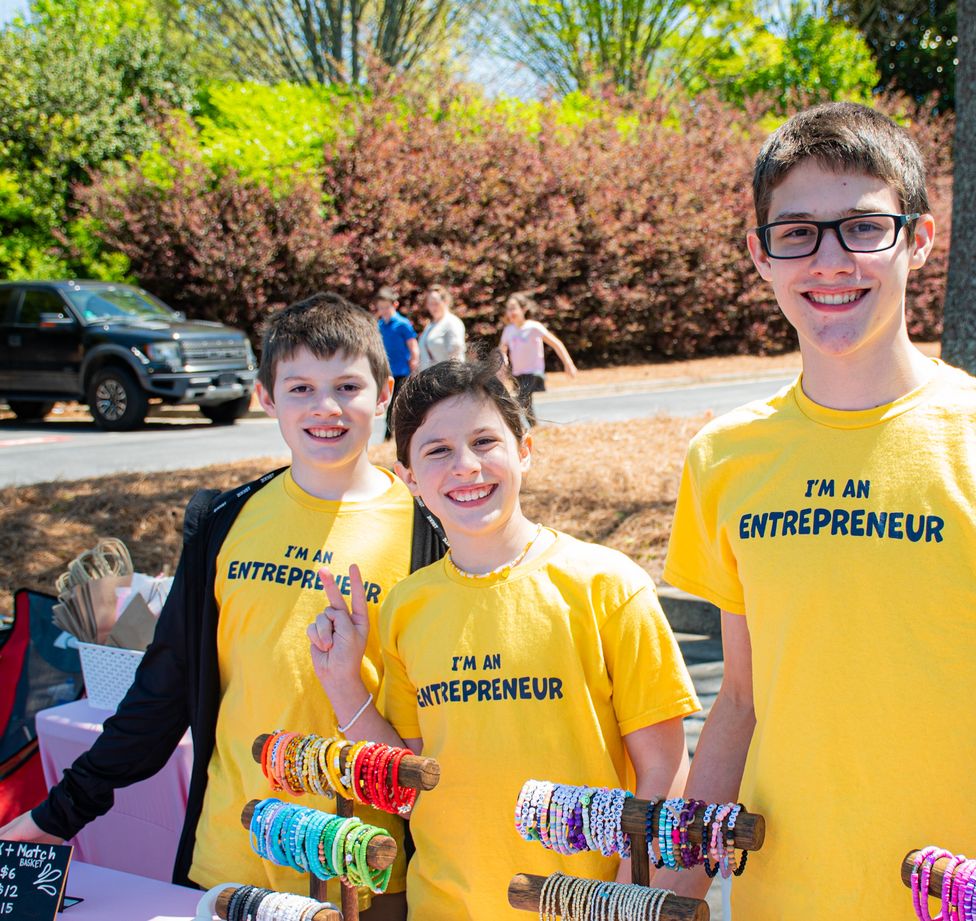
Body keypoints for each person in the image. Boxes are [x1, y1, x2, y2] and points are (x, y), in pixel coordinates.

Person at [663, 102, 976, 918]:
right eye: (797, 232)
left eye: (864, 227)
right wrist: (668, 896)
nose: (829, 261)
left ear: (918, 239)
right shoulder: (723, 457)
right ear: (760, 254)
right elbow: (741, 701)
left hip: (970, 903)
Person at [0, 293, 446, 918]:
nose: (325, 407)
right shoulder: (224, 520)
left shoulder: (430, 536)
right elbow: (164, 687)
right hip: (228, 858)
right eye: (299, 388)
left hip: (366, 869)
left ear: (384, 393)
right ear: (266, 397)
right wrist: (58, 814)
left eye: (347, 385)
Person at [307, 354, 701, 919]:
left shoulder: (607, 585)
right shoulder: (406, 607)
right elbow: (410, 774)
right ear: (410, 480)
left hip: (585, 906)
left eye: (485, 441)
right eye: (437, 451)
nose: (465, 466)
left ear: (524, 451)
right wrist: (342, 681)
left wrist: (624, 902)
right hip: (445, 905)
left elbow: (665, 770)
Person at [498, 292, 577, 425]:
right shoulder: (508, 330)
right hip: (518, 373)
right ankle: (533, 426)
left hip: (534, 372)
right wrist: (502, 362)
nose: (510, 312)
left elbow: (556, 343)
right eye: (508, 309)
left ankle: (532, 427)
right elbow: (501, 349)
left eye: (513, 308)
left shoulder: (533, 327)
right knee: (524, 401)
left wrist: (568, 364)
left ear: (523, 309)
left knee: (522, 398)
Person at [372, 285, 419, 439]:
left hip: (401, 370)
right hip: (386, 371)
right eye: (381, 308)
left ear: (395, 305)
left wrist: (414, 358)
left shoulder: (402, 323)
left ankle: (390, 434)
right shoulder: (380, 325)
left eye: (387, 307)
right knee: (385, 402)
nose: (384, 310)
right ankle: (389, 434)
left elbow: (412, 344)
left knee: (395, 404)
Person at [416, 284, 466, 370]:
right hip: (429, 379)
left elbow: (456, 355)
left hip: (446, 379)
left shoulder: (452, 322)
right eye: (430, 303)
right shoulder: (430, 326)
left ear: (445, 302)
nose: (433, 307)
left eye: (436, 303)